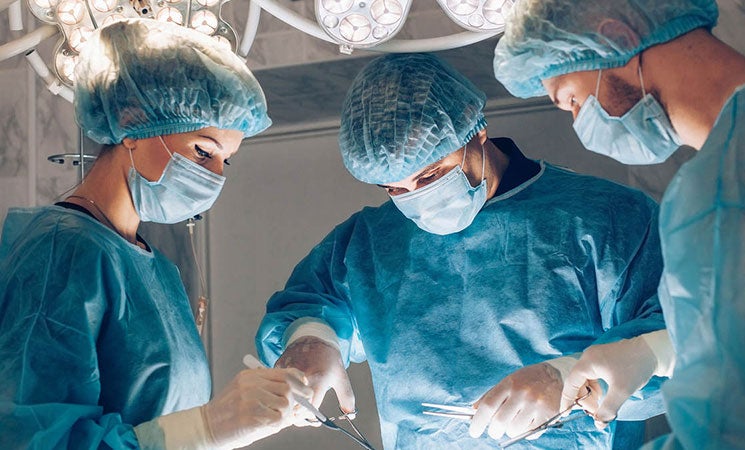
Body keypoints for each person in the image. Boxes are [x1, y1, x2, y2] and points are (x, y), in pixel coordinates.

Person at [256, 52, 670, 450]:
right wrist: (313, 338)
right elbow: (313, 300)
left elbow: (676, 341)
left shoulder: (607, 218)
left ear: (476, 132)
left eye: (430, 174)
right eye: (394, 188)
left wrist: (567, 379)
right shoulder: (367, 242)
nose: (414, 198)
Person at [494, 0, 745, 448]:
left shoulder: (724, 189)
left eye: (572, 100)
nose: (580, 122)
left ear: (616, 37)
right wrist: (654, 352)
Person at [0, 18, 312, 450]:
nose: (215, 177)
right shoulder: (63, 249)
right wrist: (210, 426)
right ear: (132, 123)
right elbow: (35, 439)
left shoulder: (157, 269)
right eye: (203, 151)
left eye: (227, 161)